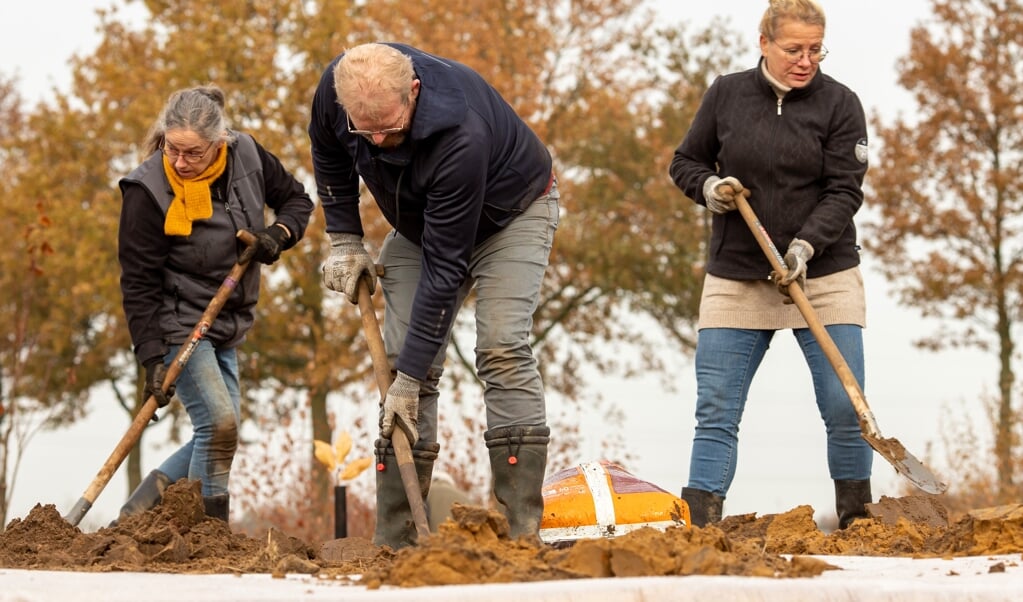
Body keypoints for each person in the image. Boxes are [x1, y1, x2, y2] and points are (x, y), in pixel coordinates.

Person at [308, 43, 558, 548]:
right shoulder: (336, 94)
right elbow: (329, 155)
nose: (377, 139)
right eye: (365, 128)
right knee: (403, 359)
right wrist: (345, 239)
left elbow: (446, 270)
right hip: (424, 222)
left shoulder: (460, 132)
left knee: (500, 347)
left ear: (414, 92)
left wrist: (409, 382)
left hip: (511, 214)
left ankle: (520, 529)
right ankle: (397, 537)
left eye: (389, 126)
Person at [668, 0, 873, 529]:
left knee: (845, 408)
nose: (806, 60)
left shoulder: (841, 104)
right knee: (716, 410)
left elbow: (844, 190)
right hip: (738, 272)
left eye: (815, 49)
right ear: (764, 43)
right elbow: (685, 161)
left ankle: (857, 522)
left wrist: (806, 246)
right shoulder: (727, 94)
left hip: (823, 274)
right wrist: (709, 188)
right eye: (793, 49)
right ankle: (700, 525)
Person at [115, 85, 313, 524]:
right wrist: (151, 357)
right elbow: (138, 282)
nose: (180, 163)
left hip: (227, 318)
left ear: (220, 143)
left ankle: (137, 513)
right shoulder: (146, 190)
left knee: (220, 432)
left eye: (193, 153)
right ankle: (209, 530)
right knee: (219, 427)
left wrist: (277, 236)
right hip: (177, 322)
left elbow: (297, 200)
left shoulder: (247, 155)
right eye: (172, 150)